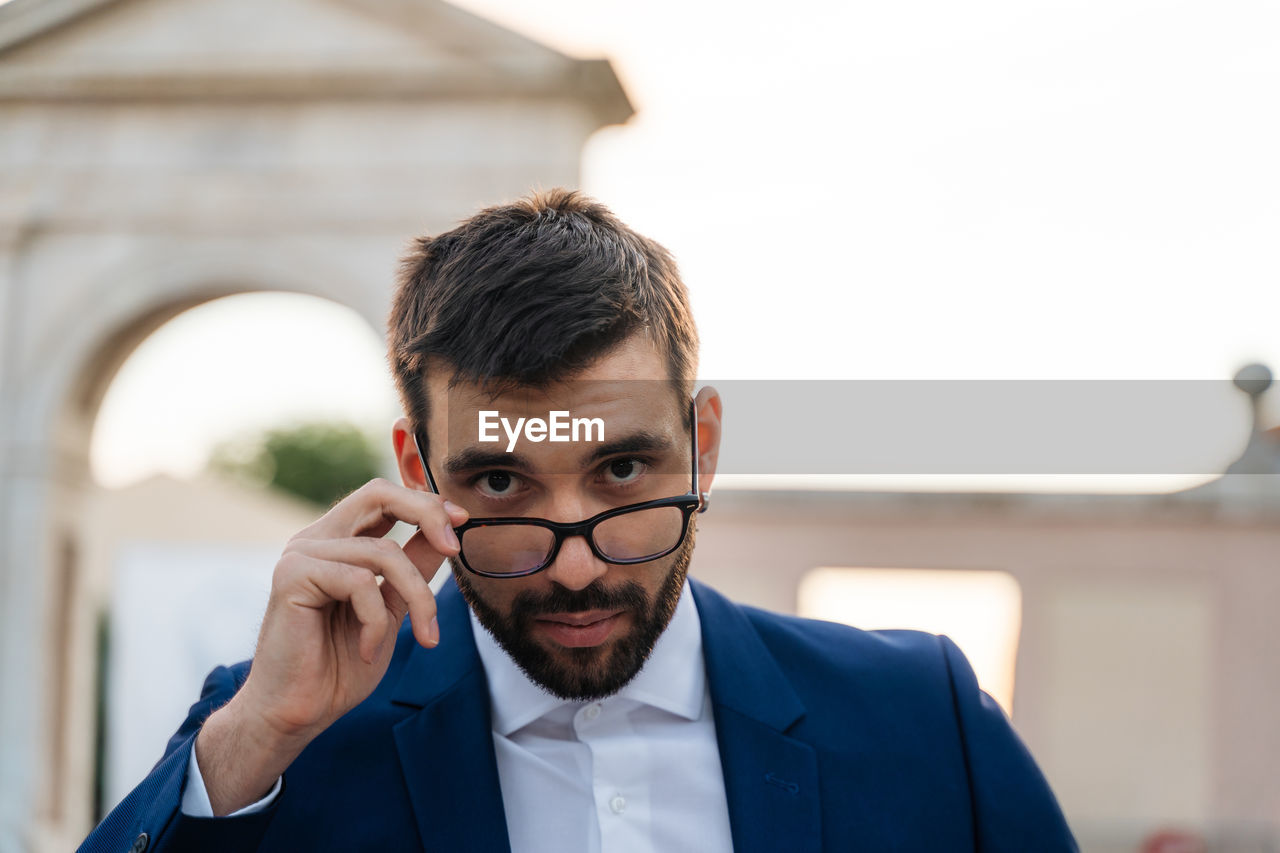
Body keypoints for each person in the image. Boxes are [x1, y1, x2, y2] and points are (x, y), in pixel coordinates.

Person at [79, 189, 1078, 853]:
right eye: (502, 484)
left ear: (704, 445)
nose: (571, 569)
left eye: (620, 468)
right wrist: (254, 737)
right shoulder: (274, 738)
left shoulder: (917, 717)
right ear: (416, 472)